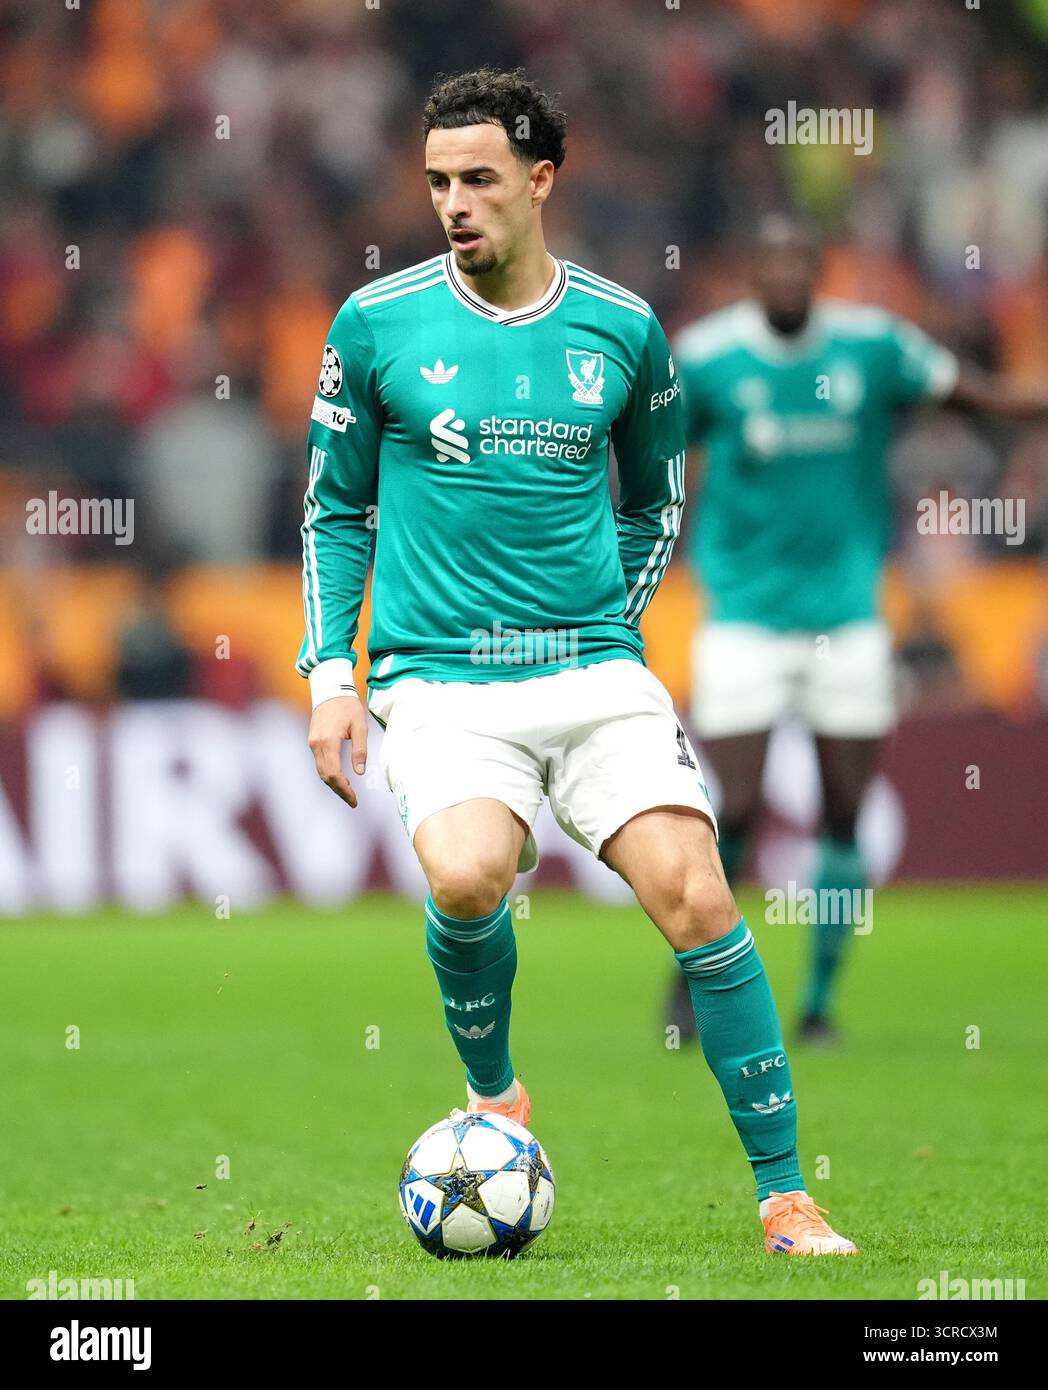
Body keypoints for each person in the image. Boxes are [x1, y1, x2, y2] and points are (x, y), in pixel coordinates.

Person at [299, 73, 854, 1255]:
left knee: (699, 896)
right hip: (440, 676)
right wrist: (330, 677)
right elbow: (333, 513)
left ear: (540, 180)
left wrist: (607, 620)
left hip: (592, 670)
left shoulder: (623, 331)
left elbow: (654, 501)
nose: (455, 201)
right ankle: (496, 1093)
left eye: (480, 180)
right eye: (440, 180)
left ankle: (784, 1193)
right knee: (463, 876)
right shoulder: (376, 324)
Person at [670, 213, 1048, 1045]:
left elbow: (975, 395)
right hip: (743, 615)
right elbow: (652, 452)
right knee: (733, 807)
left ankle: (816, 1003)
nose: (786, 280)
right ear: (752, 275)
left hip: (846, 619)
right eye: (770, 266)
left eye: (800, 264)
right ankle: (693, 979)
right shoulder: (706, 360)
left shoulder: (873, 348)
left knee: (845, 812)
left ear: (817, 269)